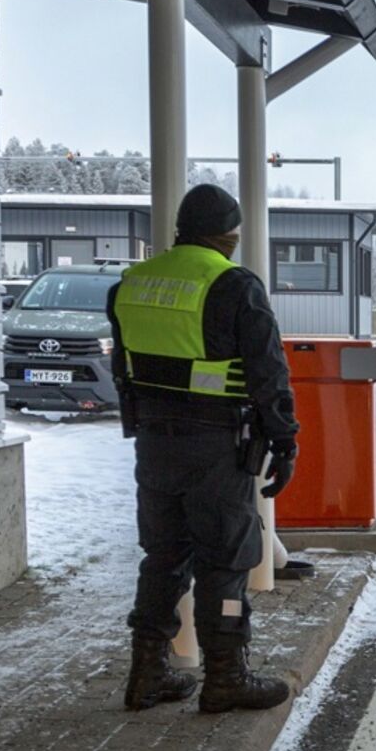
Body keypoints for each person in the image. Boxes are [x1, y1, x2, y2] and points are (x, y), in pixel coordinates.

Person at [109, 184, 297, 715]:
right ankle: (226, 677)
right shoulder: (233, 284)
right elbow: (267, 371)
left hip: (153, 442)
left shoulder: (131, 283)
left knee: (163, 556)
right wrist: (283, 439)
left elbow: (122, 366)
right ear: (227, 235)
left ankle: (147, 672)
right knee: (226, 560)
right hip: (216, 445)